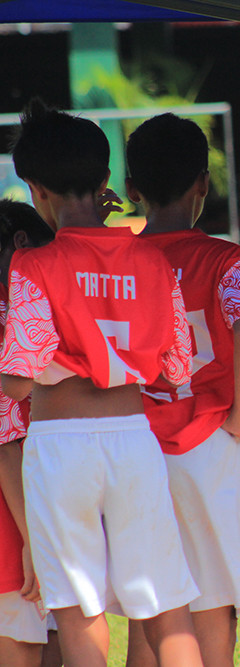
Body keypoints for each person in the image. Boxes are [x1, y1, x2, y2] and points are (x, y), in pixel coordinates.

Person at [0, 100, 202, 667]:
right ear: (106, 179)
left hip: (60, 448)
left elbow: (16, 382)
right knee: (167, 610)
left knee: (80, 612)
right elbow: (177, 370)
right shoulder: (153, 262)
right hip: (134, 440)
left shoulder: (33, 265)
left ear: (35, 189)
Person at [123, 113, 240, 666]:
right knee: (213, 601)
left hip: (134, 442)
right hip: (207, 440)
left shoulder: (121, 260)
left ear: (133, 188)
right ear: (203, 185)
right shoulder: (225, 259)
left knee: (149, 603)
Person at [0, 199, 55, 667]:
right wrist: (32, 541)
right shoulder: (10, 310)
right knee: (21, 645)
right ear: (20, 244)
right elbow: (7, 447)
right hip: (11, 526)